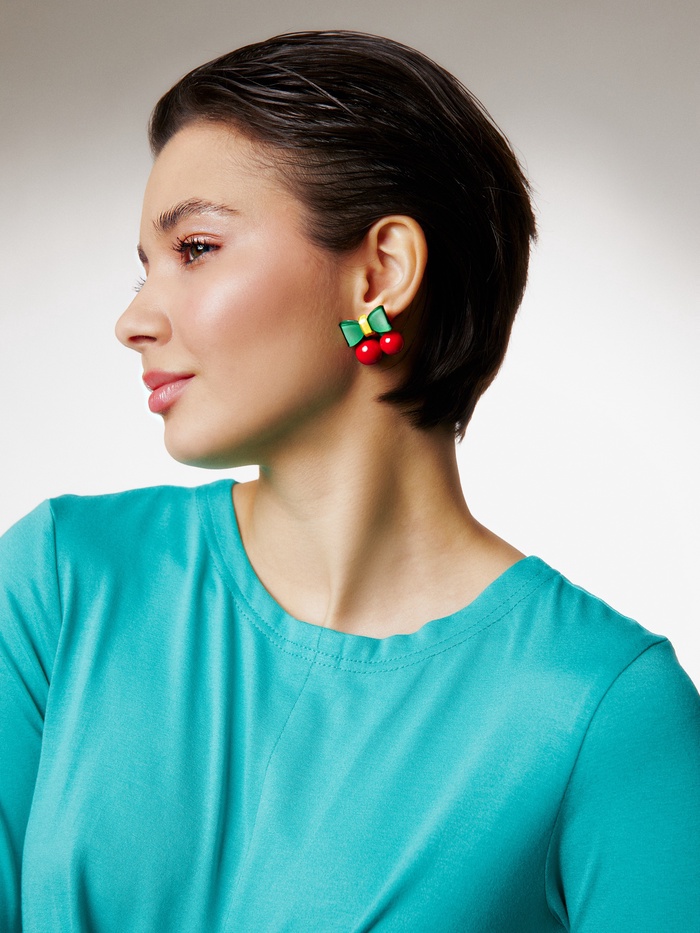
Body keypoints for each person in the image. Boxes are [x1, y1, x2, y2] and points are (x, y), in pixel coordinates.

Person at [1, 29, 698, 933]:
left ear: (379, 273)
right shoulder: (62, 584)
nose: (133, 319)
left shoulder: (608, 711)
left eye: (197, 248)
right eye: (145, 267)